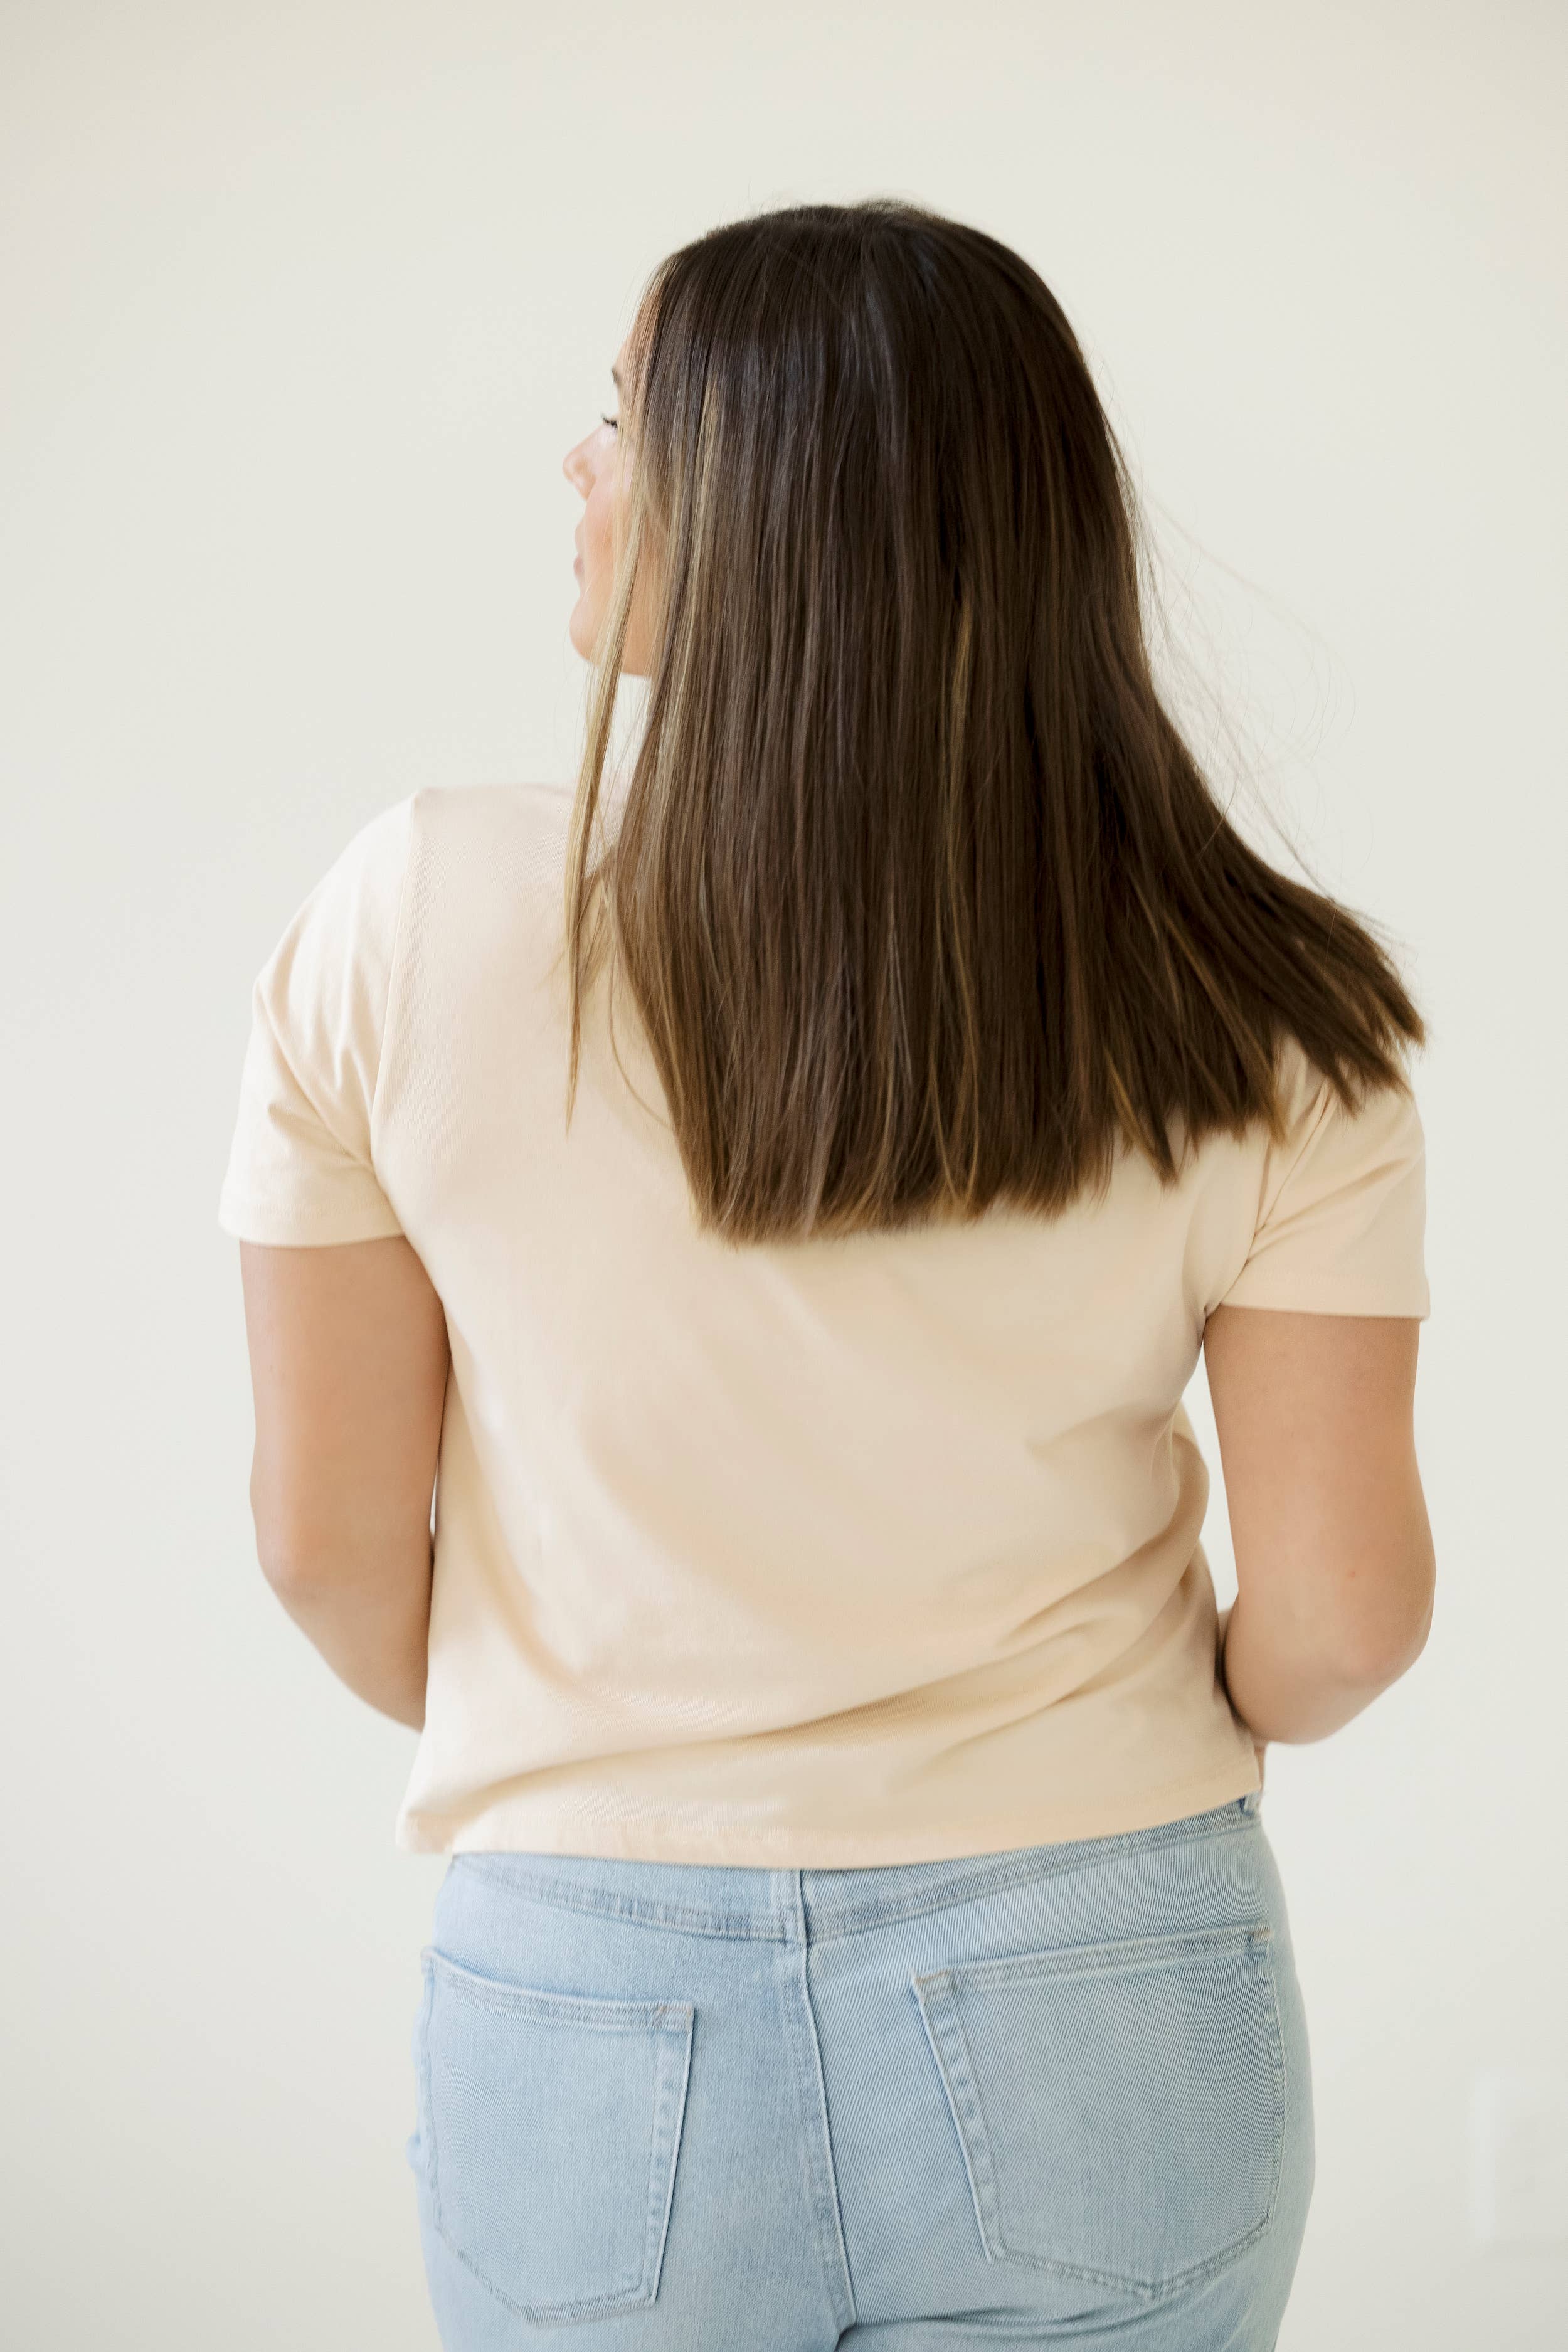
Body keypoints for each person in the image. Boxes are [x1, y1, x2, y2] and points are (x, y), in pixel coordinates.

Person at [218, 199, 1434, 2350]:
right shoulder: (1264, 1000)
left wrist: (614, 1726)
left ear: (769, 504)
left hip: (588, 1990)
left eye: (623, 421)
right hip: (1105, 1964)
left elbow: (325, 1547)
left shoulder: (410, 915)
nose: (578, 473)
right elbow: (1338, 1624)